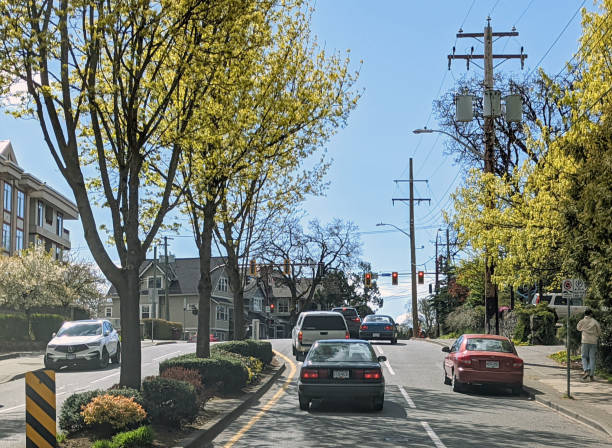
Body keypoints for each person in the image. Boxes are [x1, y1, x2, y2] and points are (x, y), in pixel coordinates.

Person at [577, 309, 601, 381]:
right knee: (592, 358)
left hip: (585, 341)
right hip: (593, 341)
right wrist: (596, 336)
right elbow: (599, 331)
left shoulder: (582, 321)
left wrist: (583, 329)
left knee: (584, 356)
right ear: (590, 314)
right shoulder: (594, 321)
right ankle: (591, 375)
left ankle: (586, 370)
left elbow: (578, 328)